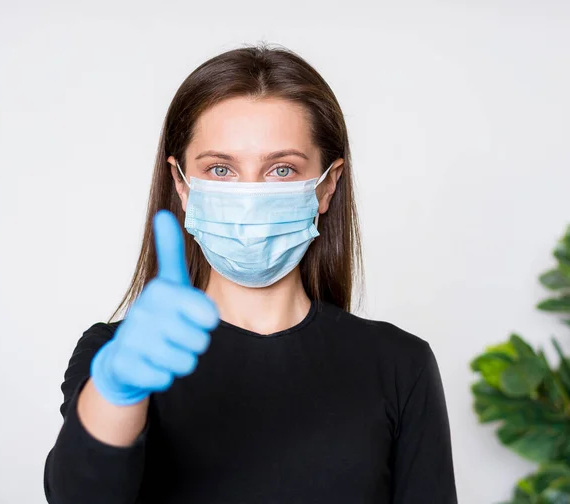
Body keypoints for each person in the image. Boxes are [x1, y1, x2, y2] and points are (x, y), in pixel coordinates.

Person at [43, 43, 458, 504]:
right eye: (220, 169)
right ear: (182, 185)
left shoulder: (400, 364)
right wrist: (118, 390)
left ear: (327, 185)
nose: (249, 196)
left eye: (281, 170)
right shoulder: (117, 356)